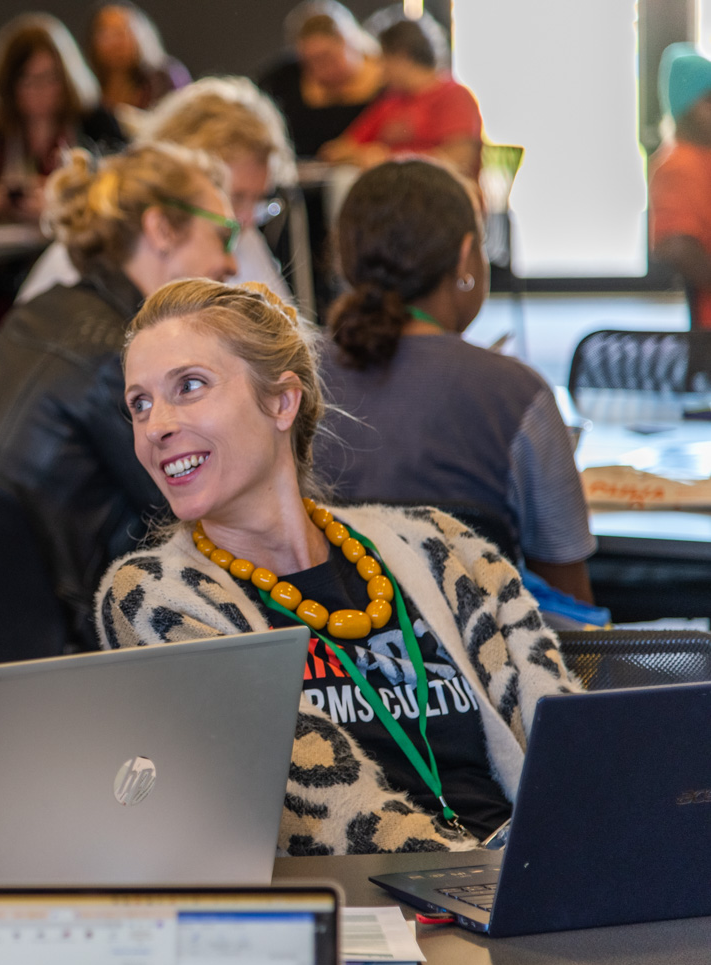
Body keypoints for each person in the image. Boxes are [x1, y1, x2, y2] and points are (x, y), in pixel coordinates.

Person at [96, 277, 579, 853]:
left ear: (281, 400)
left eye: (189, 387)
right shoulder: (155, 597)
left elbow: (569, 752)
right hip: (371, 910)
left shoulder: (442, 544)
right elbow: (322, 819)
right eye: (139, 404)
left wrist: (558, 865)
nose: (156, 427)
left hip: (529, 877)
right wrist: (474, 872)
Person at [0, 143, 239, 646]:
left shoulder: (45, 310)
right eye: (223, 234)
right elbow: (192, 508)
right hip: (68, 635)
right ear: (162, 229)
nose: (230, 261)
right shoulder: (123, 360)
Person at [314, 159, 595, 602]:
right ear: (466, 256)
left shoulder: (294, 384)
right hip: (484, 665)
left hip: (333, 661)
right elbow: (568, 592)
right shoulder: (518, 393)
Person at [18, 76, 297, 306]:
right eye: (234, 198)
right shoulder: (86, 254)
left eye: (258, 200)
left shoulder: (246, 241)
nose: (245, 220)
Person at [0, 13, 126, 223]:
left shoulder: (95, 121)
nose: (40, 90)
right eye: (27, 79)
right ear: (8, 84)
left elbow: (124, 189)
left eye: (50, 78)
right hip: (7, 250)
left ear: (67, 77)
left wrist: (63, 203)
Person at [319, 15, 482, 179]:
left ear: (401, 56)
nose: (380, 69)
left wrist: (388, 159)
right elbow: (338, 150)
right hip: (393, 194)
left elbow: (459, 160)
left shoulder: (454, 96)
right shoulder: (391, 101)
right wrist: (364, 155)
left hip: (439, 196)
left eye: (383, 58)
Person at [258, 1, 383, 159]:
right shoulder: (283, 78)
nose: (320, 68)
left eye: (327, 57)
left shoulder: (390, 79)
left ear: (350, 43)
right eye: (310, 62)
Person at [650, 43, 711, 330]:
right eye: (708, 100)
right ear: (685, 108)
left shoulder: (704, 156)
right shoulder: (677, 165)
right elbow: (677, 247)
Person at [87, 2, 190, 113]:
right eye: (105, 33)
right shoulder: (88, 84)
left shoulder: (165, 77)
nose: (114, 42)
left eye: (121, 32)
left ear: (141, 35)